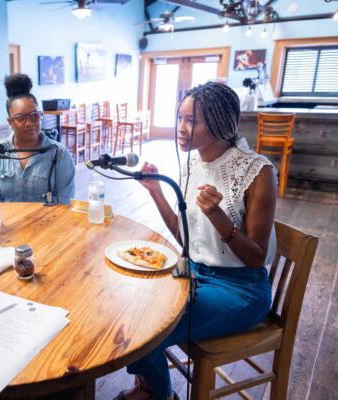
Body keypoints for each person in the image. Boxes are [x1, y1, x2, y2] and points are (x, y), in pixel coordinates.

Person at [116, 82, 277, 400]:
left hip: (241, 289)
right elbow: (185, 239)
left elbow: (256, 258)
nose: (182, 128)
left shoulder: (258, 172)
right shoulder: (192, 163)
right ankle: (152, 387)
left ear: (222, 124)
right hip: (196, 273)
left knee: (145, 331)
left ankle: (156, 394)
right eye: (180, 118)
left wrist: (218, 215)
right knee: (129, 307)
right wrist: (157, 192)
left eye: (193, 120)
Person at [0, 74, 75, 204]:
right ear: (10, 122)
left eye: (34, 116)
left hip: (48, 223)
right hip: (6, 222)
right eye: (21, 118)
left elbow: (66, 202)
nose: (29, 123)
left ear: (41, 116)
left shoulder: (59, 154)